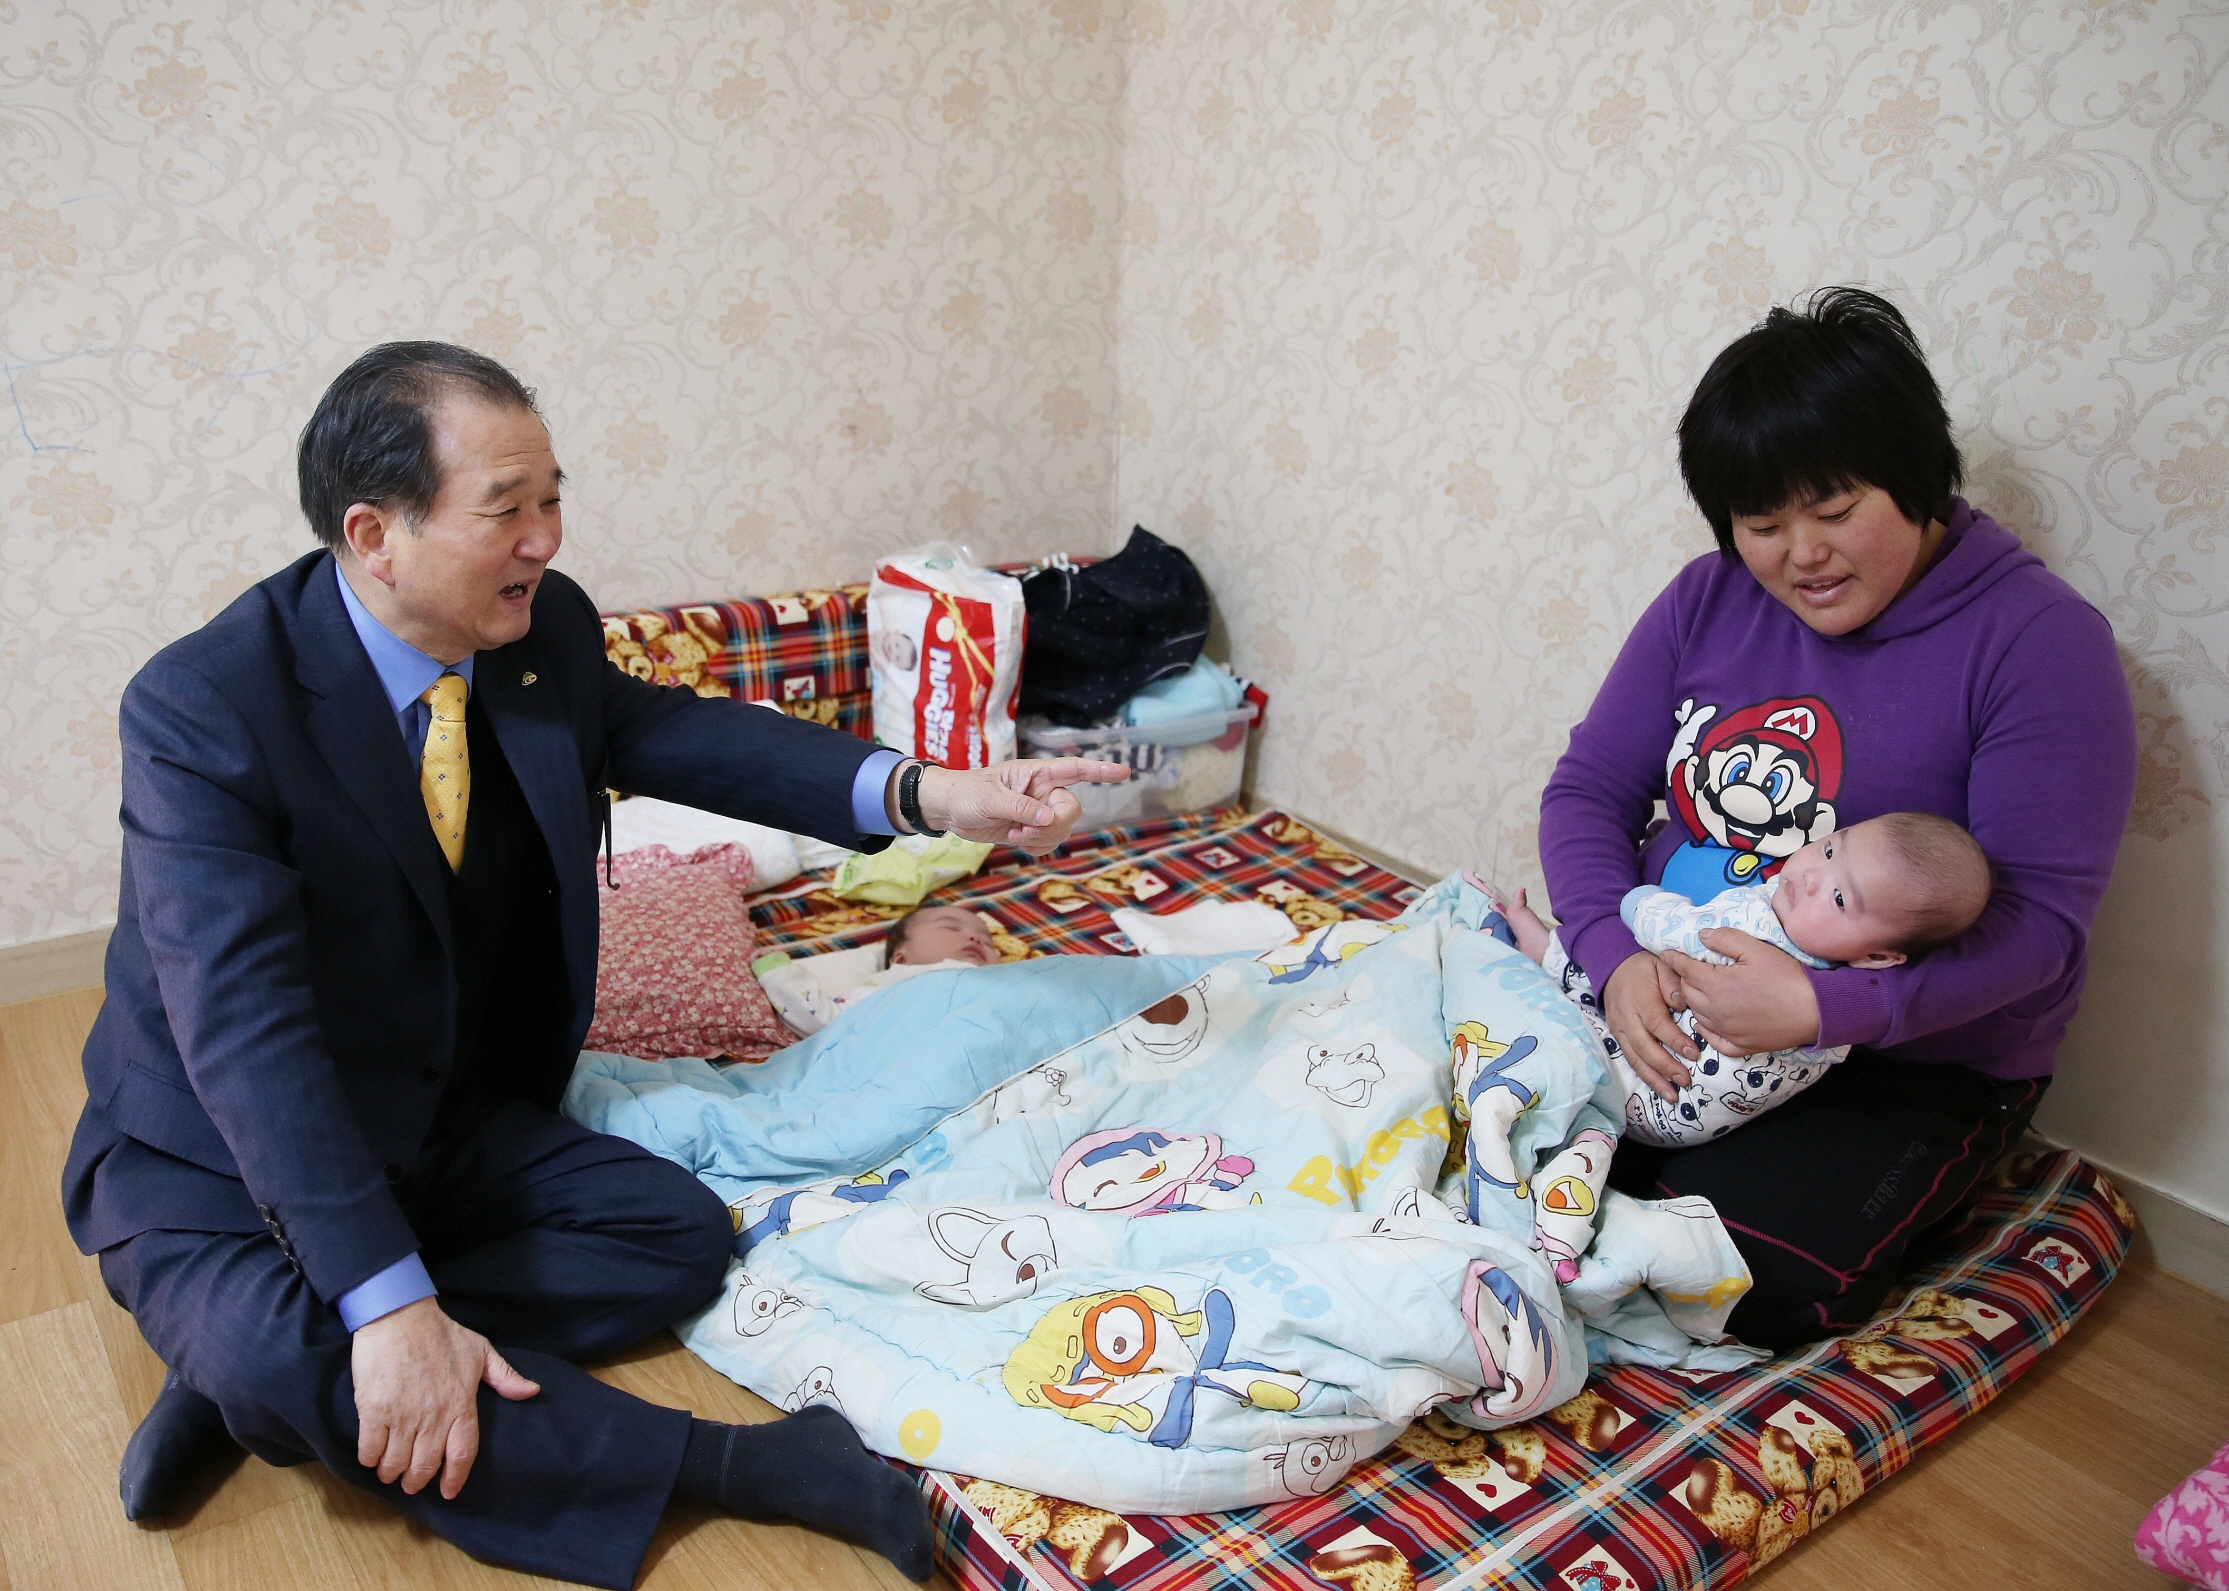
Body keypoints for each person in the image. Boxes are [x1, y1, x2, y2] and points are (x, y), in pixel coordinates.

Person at [61, 342, 1126, 1589]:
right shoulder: (205, 710)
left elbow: (677, 733)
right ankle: (738, 1464)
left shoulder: (536, 632)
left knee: (672, 1237)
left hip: (433, 1115)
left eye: (552, 499)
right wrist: (389, 1307)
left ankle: (275, 1374)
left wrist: (931, 791)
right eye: (505, 509)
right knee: (304, 1344)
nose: (545, 539)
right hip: (221, 1157)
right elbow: (246, 1036)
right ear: (374, 534)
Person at [1536, 287, 2136, 1350]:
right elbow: (1587, 790)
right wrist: (1611, 954)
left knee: (1726, 1277)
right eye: (1762, 525)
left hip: (1904, 1057)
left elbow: (2039, 932)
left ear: (1918, 478)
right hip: (1661, 995)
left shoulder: (2040, 642)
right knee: (1462, 1127)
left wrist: (1821, 1008)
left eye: (1834, 510)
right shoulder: (1706, 598)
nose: (1800, 554)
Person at [1497, 812, 1991, 1145]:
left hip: (1645, 1084)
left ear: (1878, 955)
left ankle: (1543, 955)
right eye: (1829, 851)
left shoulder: (1760, 933)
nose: (1812, 877)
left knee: (1573, 1011)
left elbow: (1669, 927)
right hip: (1685, 1118)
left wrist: (1635, 902)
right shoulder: (1841, 1002)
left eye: (1840, 898)